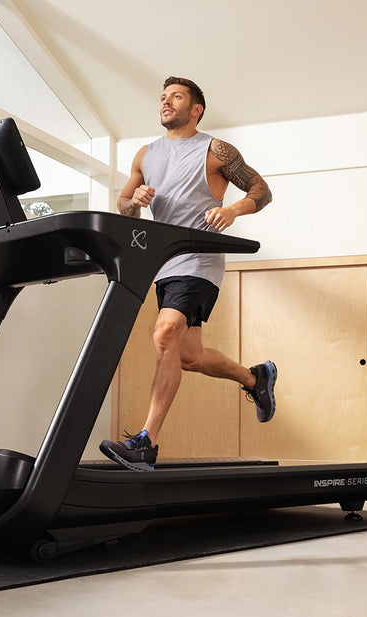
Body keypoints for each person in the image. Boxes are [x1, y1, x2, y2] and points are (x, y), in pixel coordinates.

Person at [98, 76, 277, 471]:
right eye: (163, 97)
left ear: (195, 109)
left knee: (163, 334)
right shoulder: (145, 154)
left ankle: (146, 442)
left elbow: (261, 191)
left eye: (176, 97)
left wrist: (232, 210)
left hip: (199, 259)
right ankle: (255, 378)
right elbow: (124, 205)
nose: (166, 102)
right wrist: (135, 200)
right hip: (163, 264)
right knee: (190, 357)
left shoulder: (215, 150)